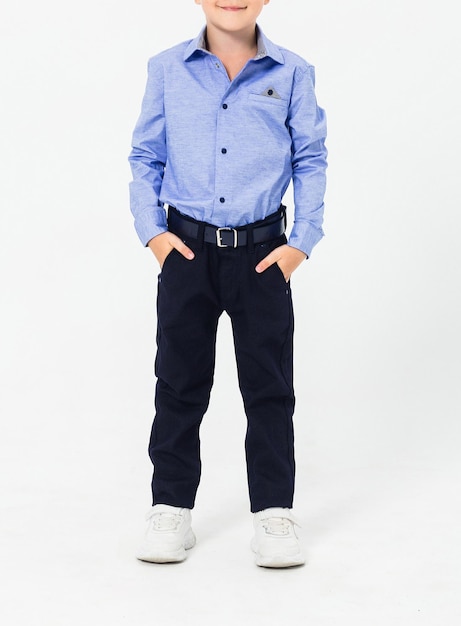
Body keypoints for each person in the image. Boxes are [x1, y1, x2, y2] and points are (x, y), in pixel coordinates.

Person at [128, 0, 327, 568]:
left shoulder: (292, 73)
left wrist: (301, 242)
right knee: (179, 382)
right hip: (186, 252)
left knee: (268, 387)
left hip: (263, 256)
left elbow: (310, 158)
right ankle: (170, 508)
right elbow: (145, 156)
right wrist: (154, 235)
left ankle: (273, 513)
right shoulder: (167, 68)